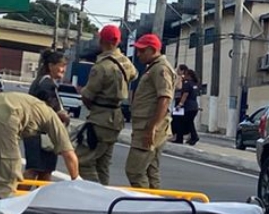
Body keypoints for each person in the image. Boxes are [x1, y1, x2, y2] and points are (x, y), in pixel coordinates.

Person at [79, 25, 136, 185]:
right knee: (103, 163)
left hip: (100, 117)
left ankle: (96, 194)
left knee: (83, 160)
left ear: (101, 40)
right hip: (117, 117)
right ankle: (105, 199)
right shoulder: (126, 62)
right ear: (118, 41)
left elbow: (88, 95)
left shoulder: (101, 67)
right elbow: (133, 75)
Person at [125, 33, 175, 189]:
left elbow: (165, 98)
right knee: (150, 171)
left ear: (153, 50)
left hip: (149, 127)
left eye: (142, 51)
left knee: (135, 171)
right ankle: (157, 206)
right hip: (149, 126)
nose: (138, 54)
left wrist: (152, 127)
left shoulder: (160, 68)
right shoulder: (154, 67)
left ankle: (145, 205)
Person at [24, 50, 70, 180]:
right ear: (50, 66)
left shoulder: (40, 81)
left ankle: (29, 198)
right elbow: (54, 111)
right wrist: (65, 117)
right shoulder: (47, 84)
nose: (64, 69)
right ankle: (19, 198)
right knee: (34, 171)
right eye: (61, 65)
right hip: (41, 134)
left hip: (35, 132)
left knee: (44, 172)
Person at [171, 65, 200, 145]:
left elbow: (185, 94)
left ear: (189, 76)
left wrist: (180, 104)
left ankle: (188, 137)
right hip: (194, 107)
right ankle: (191, 137)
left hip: (187, 107)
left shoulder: (187, 83)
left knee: (181, 122)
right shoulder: (194, 84)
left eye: (186, 75)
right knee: (188, 122)